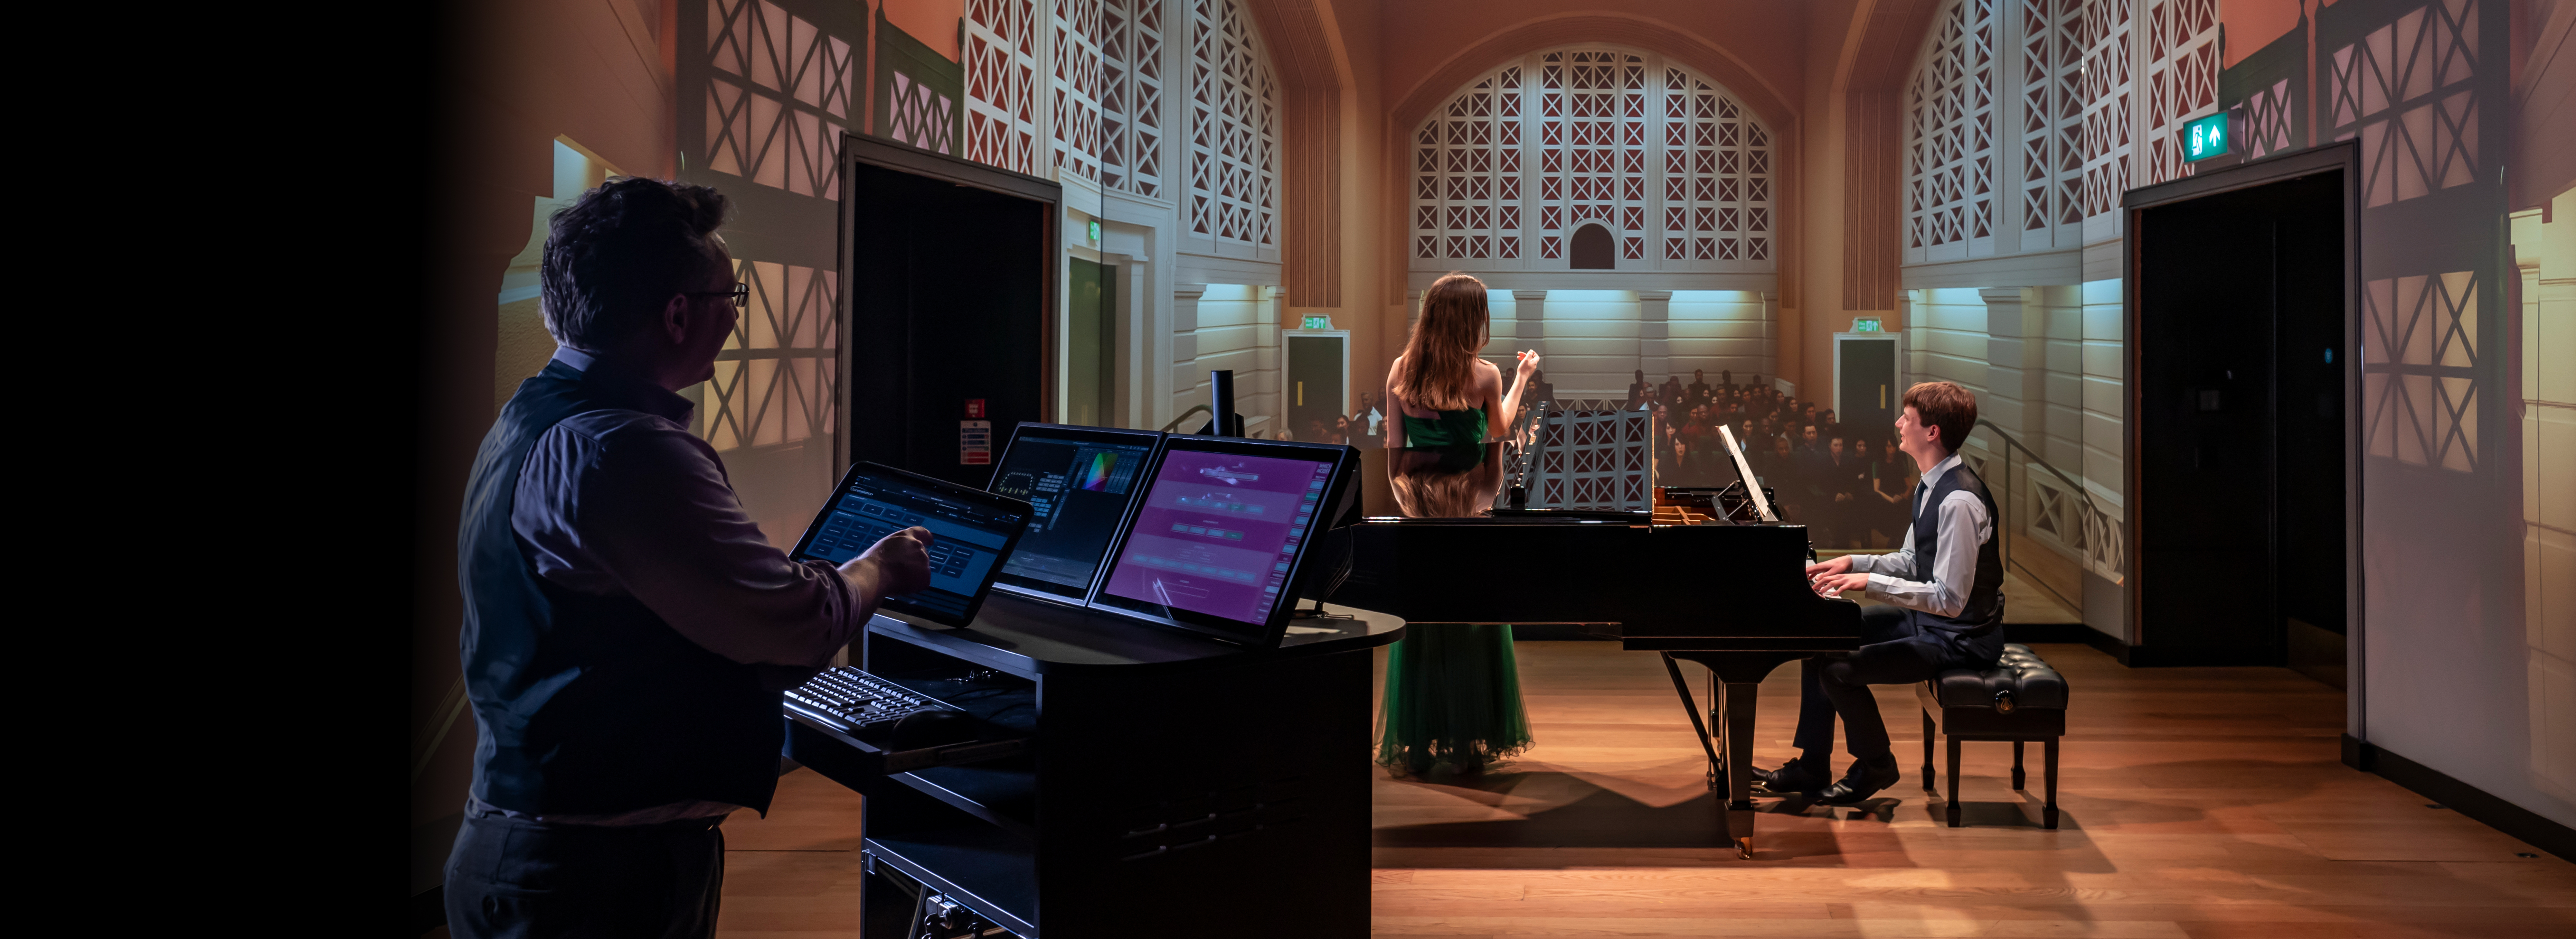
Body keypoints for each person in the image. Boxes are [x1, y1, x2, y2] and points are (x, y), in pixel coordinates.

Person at [446, 178, 936, 938]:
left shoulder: (534, 414)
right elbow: (795, 624)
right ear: (678, 315)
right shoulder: (624, 449)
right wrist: (880, 567)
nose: (736, 316)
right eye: (731, 296)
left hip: (545, 851)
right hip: (593, 880)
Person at [1753, 381, 2008, 804]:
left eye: (1906, 418)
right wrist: (1854, 563)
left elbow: (1949, 599)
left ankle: (1876, 764)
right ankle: (1812, 764)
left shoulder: (1959, 501)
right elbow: (1911, 562)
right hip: (1930, 624)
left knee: (1840, 671)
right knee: (1820, 640)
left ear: (1931, 433)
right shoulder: (1930, 484)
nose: (1897, 424)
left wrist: (1869, 584)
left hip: (1961, 639)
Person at [1377, 273, 1541, 775]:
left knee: (1424, 629)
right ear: (1473, 320)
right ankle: (1469, 741)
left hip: (1421, 516)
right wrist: (1523, 378)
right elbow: (1498, 439)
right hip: (1468, 515)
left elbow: (1394, 456)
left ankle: (1418, 741)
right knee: (1475, 626)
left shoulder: (1400, 371)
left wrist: (1411, 508)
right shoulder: (1486, 376)